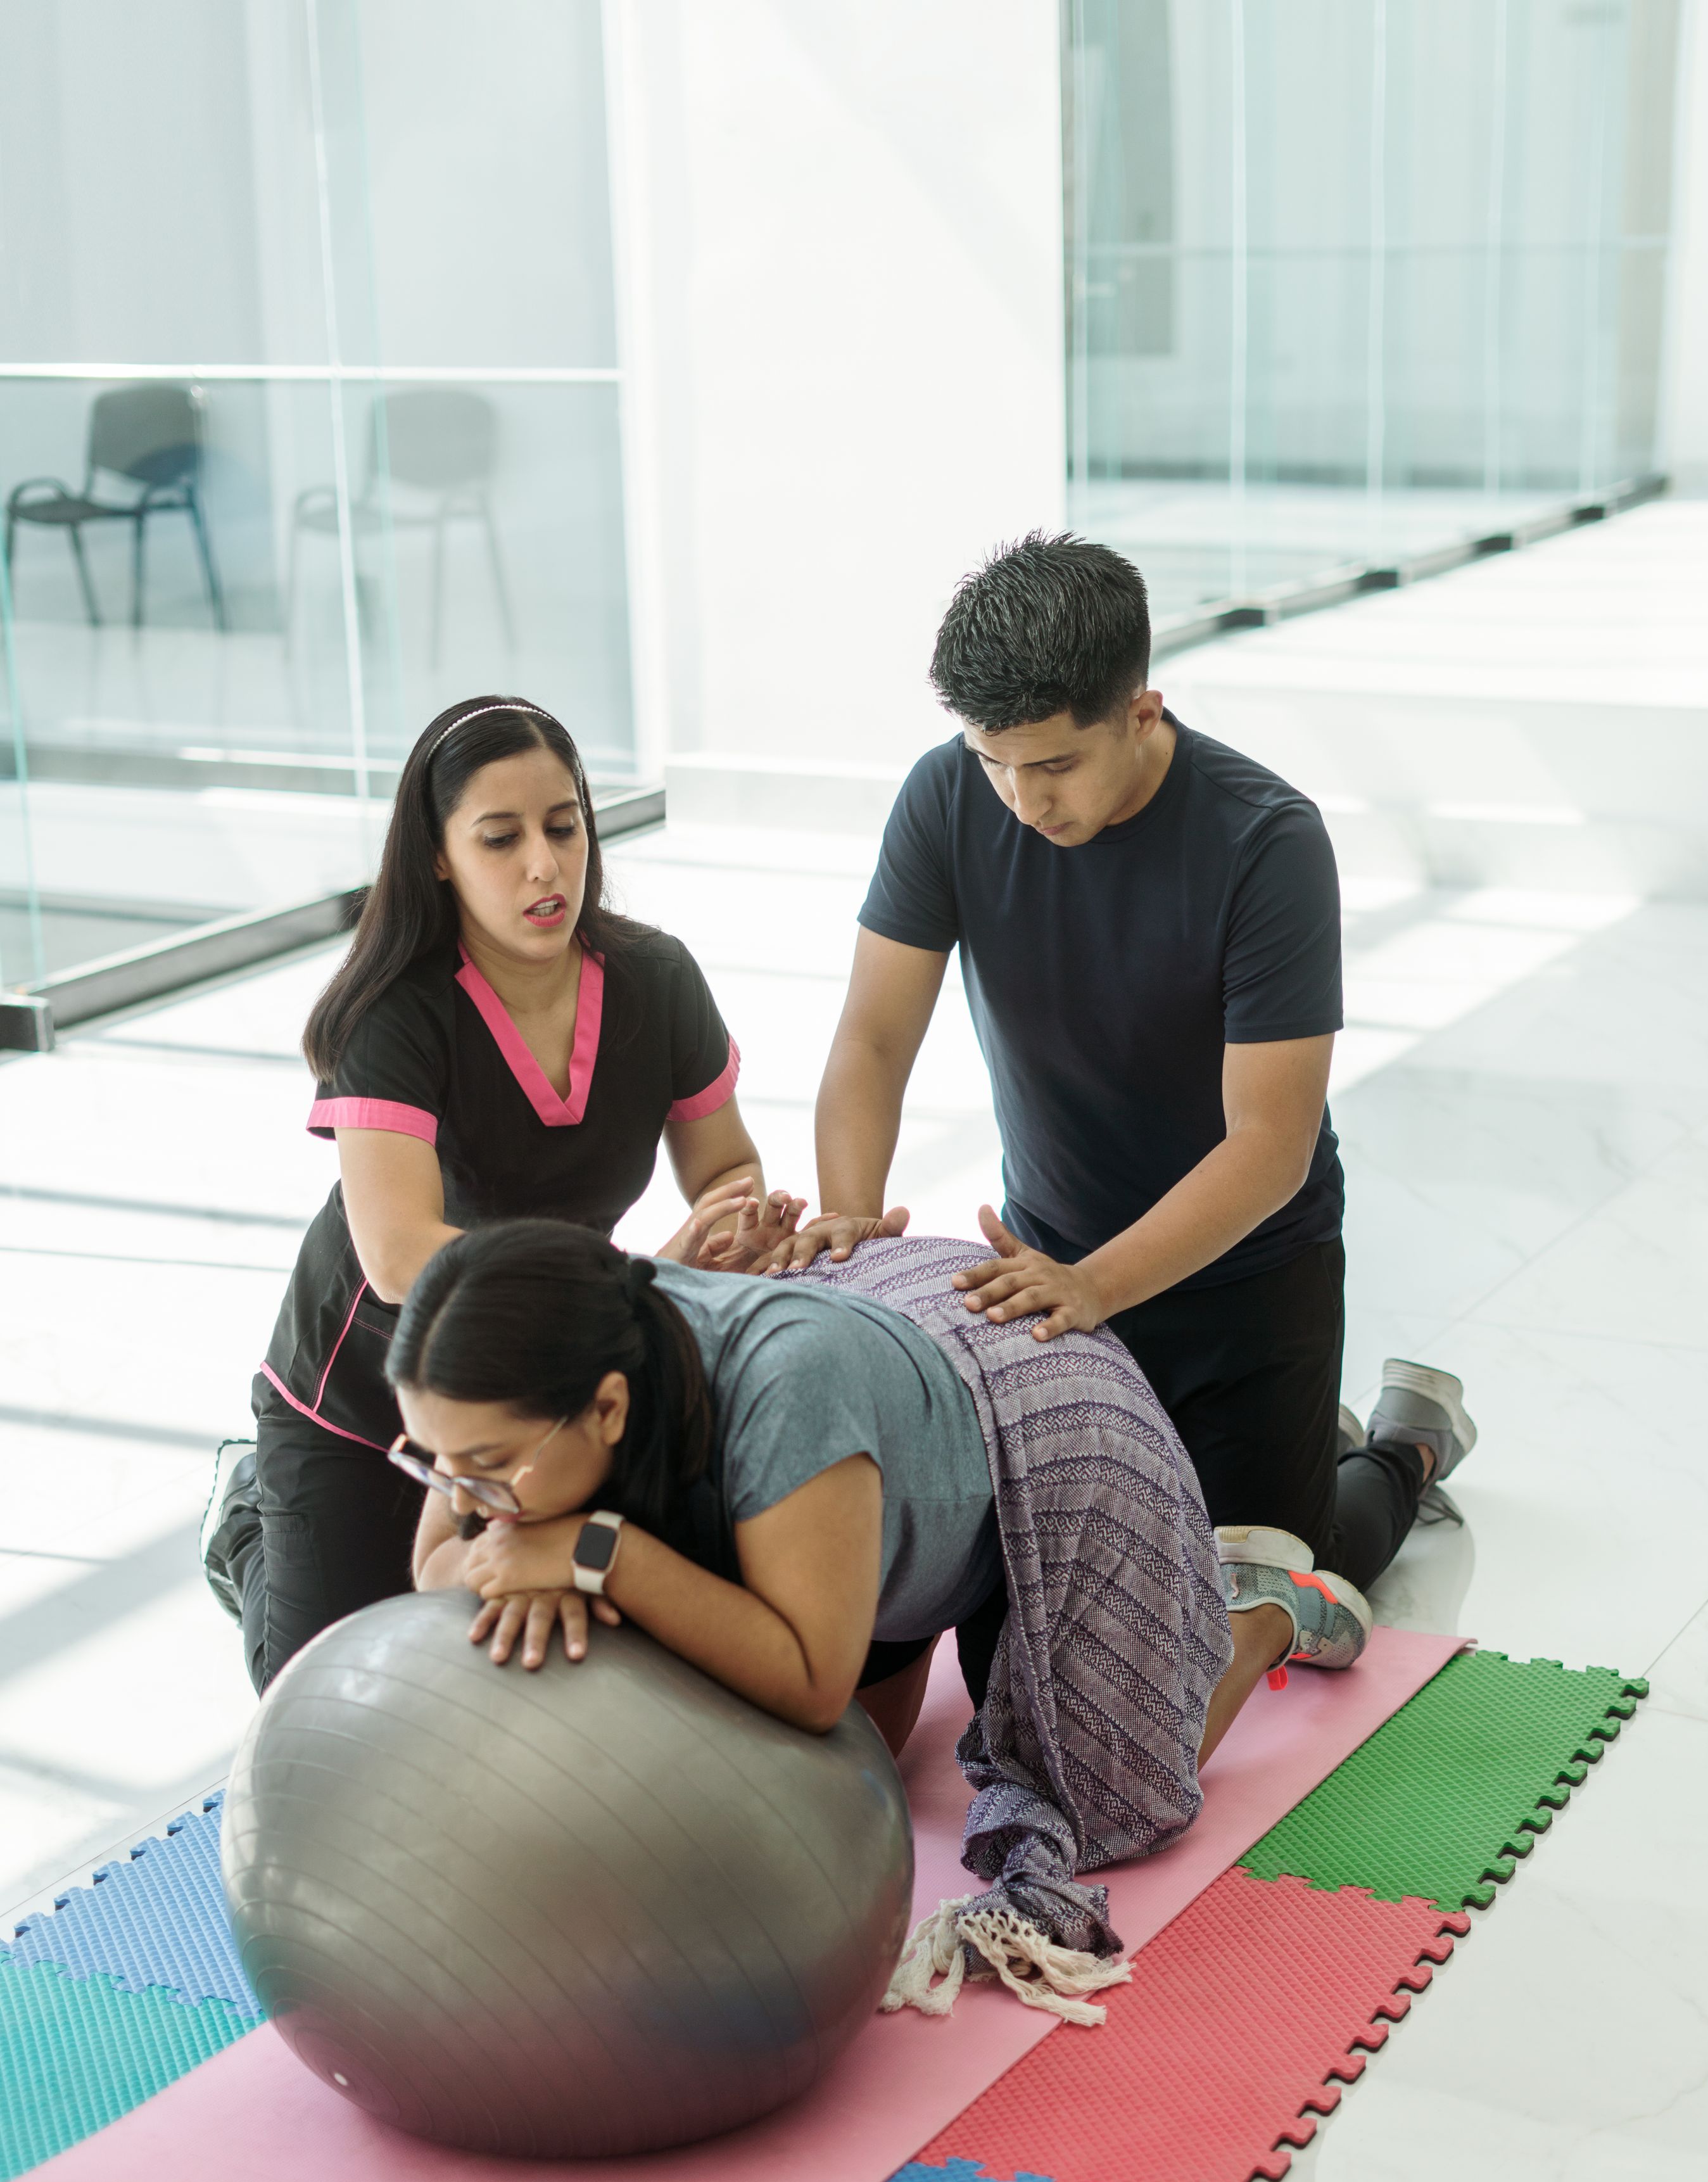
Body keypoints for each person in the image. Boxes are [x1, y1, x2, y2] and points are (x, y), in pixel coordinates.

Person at [770, 532, 1477, 1748]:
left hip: (1248, 1281)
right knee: (1028, 1669)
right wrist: (849, 1210)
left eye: (1052, 764)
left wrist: (1097, 1285)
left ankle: (1405, 1449)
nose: (1021, 800)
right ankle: (1338, 1440)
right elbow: (874, 1040)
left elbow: (1269, 1144)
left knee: (1205, 1655)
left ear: (1144, 710)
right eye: (996, 763)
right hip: (1053, 1267)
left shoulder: (1268, 840)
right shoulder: (949, 793)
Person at [388, 1219, 1231, 2012]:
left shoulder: (786, 1387)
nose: (467, 1497)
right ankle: (904, 1576)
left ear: (608, 1410)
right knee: (839, 1792)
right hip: (878, 1425)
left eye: (488, 1468)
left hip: (1055, 1428)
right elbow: (434, 1564)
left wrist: (603, 1554)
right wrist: (515, 1547)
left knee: (1112, 1803)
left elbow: (811, 1682)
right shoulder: (509, 1410)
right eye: (437, 1464)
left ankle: (1266, 1608)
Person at [202, 694, 800, 1693]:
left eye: (564, 827)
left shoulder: (655, 979)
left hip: (532, 1397)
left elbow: (727, 1165)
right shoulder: (395, 1012)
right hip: (358, 1404)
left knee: (545, 1655)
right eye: (501, 838)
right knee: (325, 1694)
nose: (544, 866)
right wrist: (636, 1277)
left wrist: (741, 1220)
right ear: (438, 855)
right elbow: (398, 1258)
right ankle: (251, 1521)